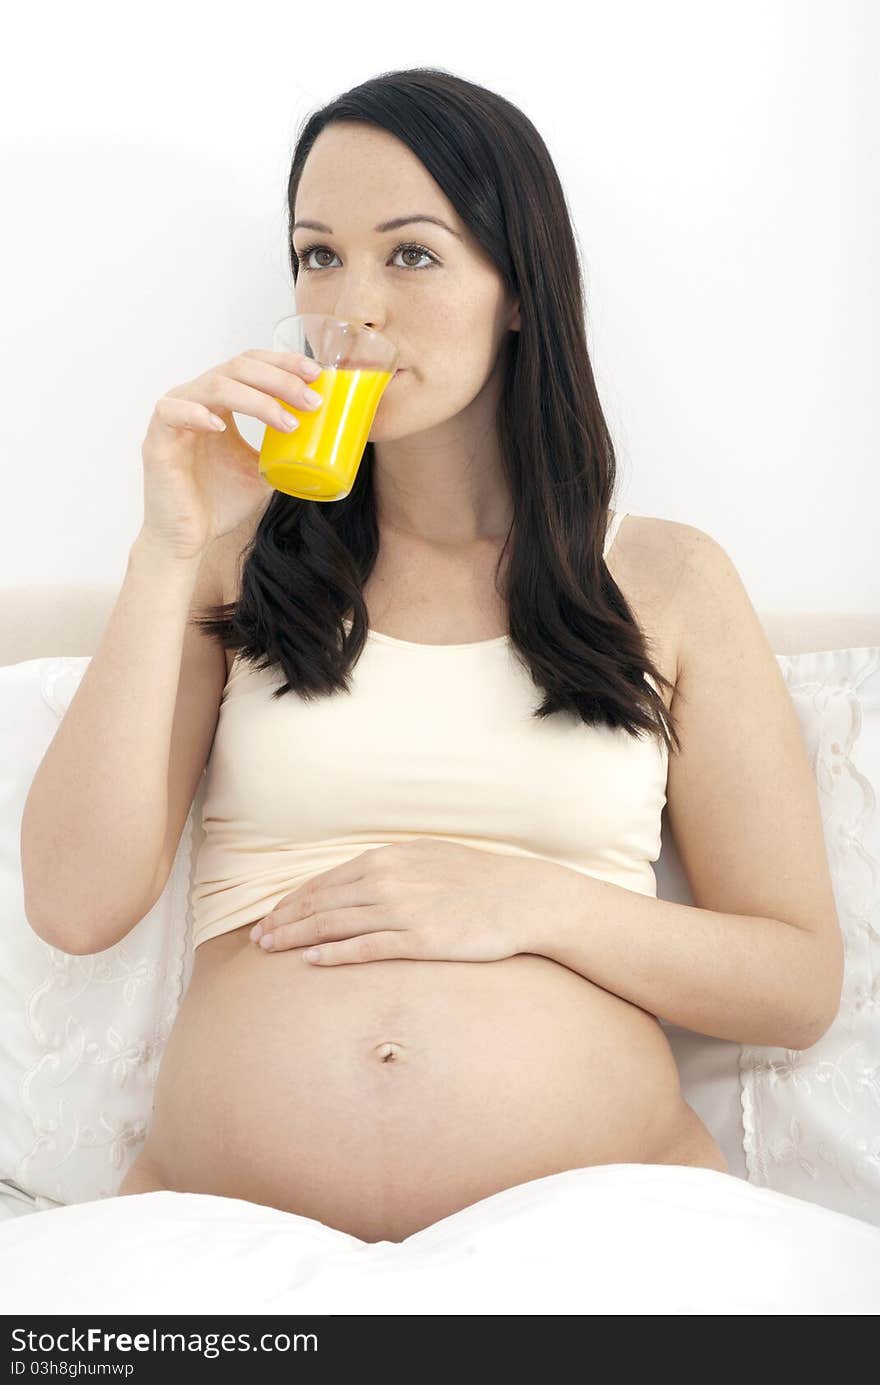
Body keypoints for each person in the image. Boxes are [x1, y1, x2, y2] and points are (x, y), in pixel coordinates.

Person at [22, 68, 840, 1246]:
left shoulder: (666, 579)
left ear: (517, 289)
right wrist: (167, 546)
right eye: (317, 256)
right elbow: (74, 903)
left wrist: (523, 899)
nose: (352, 305)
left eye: (410, 255)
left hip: (603, 1226)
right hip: (225, 1235)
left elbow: (794, 981)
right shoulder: (231, 560)